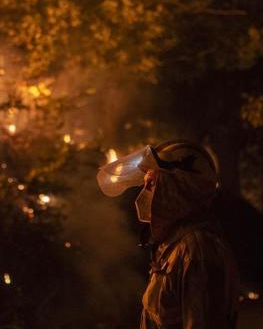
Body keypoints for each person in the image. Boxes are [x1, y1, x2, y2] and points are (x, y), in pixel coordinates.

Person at [97, 139, 240, 329]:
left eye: (153, 183)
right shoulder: (177, 247)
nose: (146, 192)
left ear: (180, 187)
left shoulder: (196, 251)